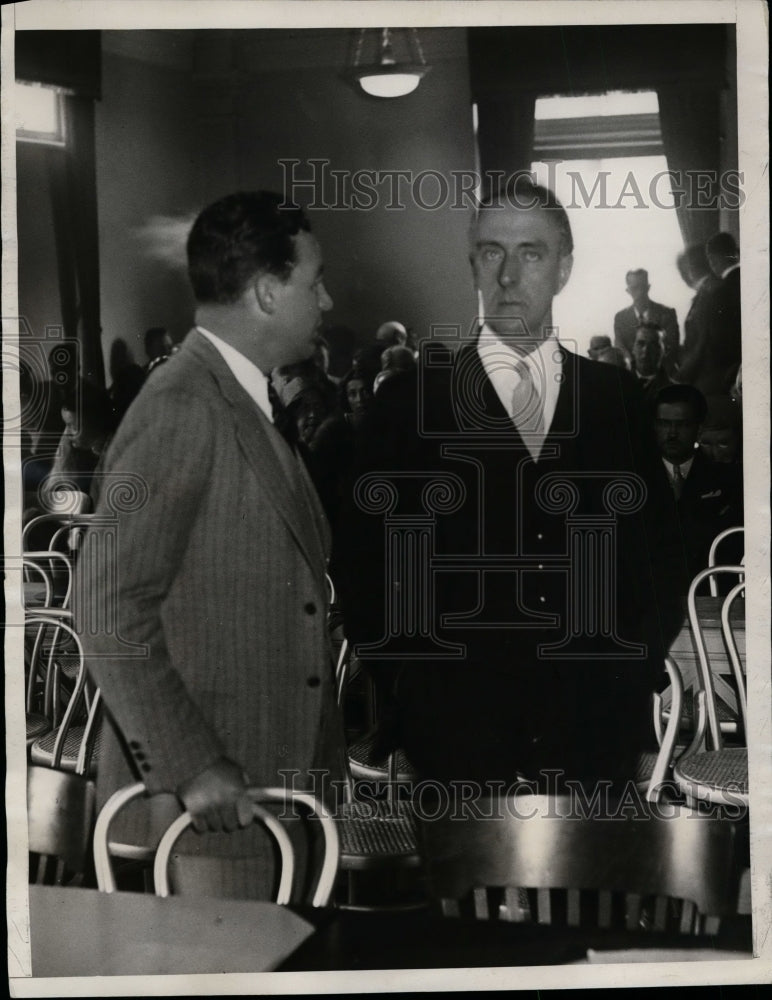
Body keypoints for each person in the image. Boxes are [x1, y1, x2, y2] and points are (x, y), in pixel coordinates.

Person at [337, 177, 685, 793]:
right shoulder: (411, 402)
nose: (508, 275)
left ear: (564, 268)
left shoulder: (614, 400)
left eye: (531, 252)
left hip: (593, 727)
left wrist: (634, 667)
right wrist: (409, 684)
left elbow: (657, 551)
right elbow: (367, 564)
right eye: (492, 252)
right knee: (464, 893)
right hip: (455, 732)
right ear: (473, 263)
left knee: (589, 890)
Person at [77, 191, 344, 898]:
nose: (327, 299)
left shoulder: (238, 396)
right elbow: (105, 606)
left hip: (268, 798)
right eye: (313, 282)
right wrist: (190, 763)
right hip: (206, 819)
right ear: (265, 292)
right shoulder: (183, 405)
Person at [653, 384, 743, 592]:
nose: (672, 433)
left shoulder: (729, 481)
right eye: (664, 424)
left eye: (682, 425)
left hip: (713, 600)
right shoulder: (633, 480)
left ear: (699, 429)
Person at [614, 268, 679, 375]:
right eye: (635, 288)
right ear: (628, 290)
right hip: (633, 375)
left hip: (663, 374)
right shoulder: (620, 318)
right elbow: (620, 347)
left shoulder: (667, 314)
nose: (640, 292)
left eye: (643, 287)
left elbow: (671, 348)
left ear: (648, 287)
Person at [630, 323, 673, 406]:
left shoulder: (674, 391)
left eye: (653, 345)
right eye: (641, 343)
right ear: (633, 348)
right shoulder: (618, 384)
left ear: (666, 351)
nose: (645, 351)